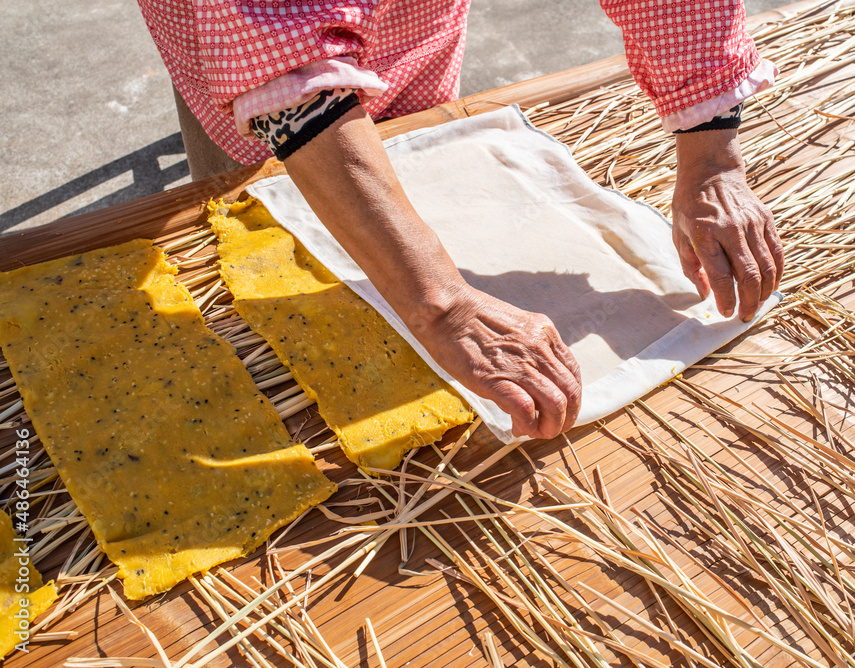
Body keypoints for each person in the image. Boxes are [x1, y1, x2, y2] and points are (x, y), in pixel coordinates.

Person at [138, 0, 784, 441]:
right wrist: (441, 306)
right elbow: (279, 65)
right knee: (256, 213)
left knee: (422, 147)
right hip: (242, 35)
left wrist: (711, 155)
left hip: (412, 21)